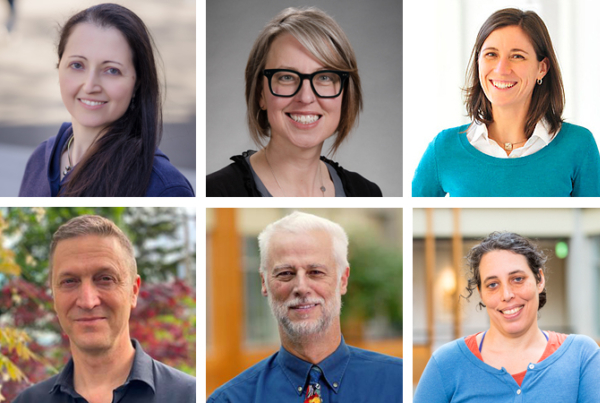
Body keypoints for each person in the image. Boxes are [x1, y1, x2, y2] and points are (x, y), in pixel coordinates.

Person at [207, 212, 401, 402]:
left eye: (315, 272)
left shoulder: (397, 383)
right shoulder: (231, 399)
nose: (301, 287)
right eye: (285, 273)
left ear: (343, 280)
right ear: (264, 282)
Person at [411, 8, 600, 197]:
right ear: (478, 61)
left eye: (517, 56)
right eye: (491, 54)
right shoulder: (443, 148)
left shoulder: (579, 145)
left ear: (542, 68)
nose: (501, 69)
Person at [12, 215, 195, 403]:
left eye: (105, 279)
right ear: (53, 295)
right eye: (69, 281)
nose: (88, 301)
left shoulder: (189, 396)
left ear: (133, 291)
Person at [18, 3, 194, 197]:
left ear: (137, 83)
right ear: (59, 67)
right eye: (77, 65)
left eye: (112, 70)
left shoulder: (164, 188)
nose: (90, 85)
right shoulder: (40, 159)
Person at [206, 7, 382, 197]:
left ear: (345, 94)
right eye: (287, 77)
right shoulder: (215, 192)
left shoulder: (367, 193)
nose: (306, 97)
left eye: (324, 78)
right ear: (260, 94)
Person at [414, 232, 600, 401]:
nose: (506, 295)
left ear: (539, 280)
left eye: (517, 279)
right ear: (481, 293)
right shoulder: (446, 363)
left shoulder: (582, 356)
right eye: (492, 284)